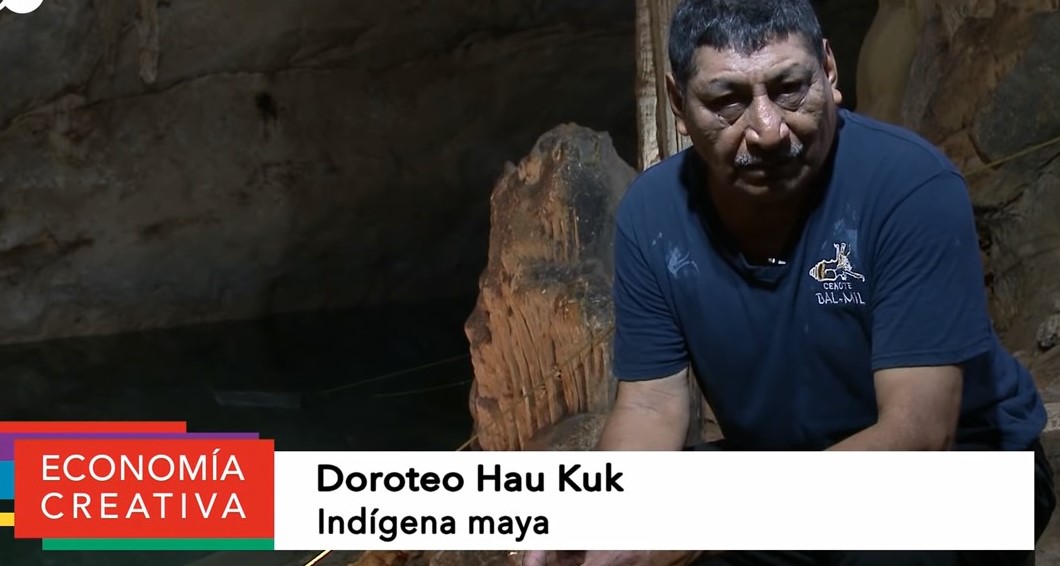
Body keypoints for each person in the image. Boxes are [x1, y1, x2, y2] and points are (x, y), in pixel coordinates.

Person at [522, 0, 1056, 565]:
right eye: (727, 101)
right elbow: (651, 406)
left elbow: (920, 436)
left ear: (828, 71)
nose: (769, 130)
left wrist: (696, 531)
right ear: (678, 103)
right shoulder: (652, 216)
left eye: (790, 89)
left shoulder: (909, 186)